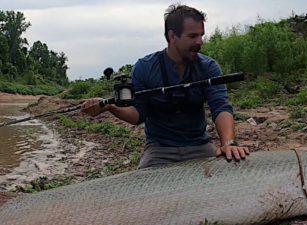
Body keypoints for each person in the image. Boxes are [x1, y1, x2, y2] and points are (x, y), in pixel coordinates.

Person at [81, 4, 249, 168]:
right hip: (159, 150)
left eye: (201, 35)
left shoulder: (209, 67)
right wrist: (110, 107)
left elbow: (220, 107)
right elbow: (137, 115)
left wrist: (229, 142)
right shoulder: (144, 67)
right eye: (192, 36)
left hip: (200, 146)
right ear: (172, 36)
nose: (200, 42)